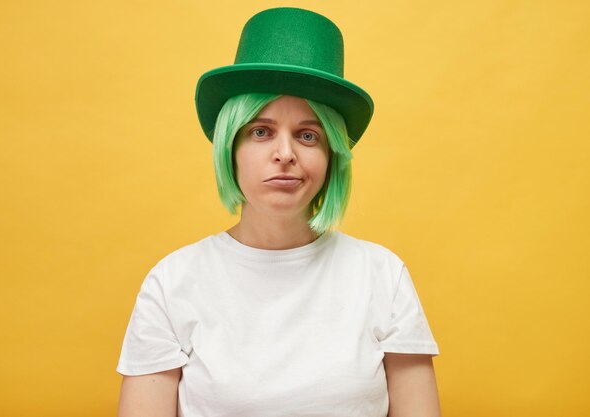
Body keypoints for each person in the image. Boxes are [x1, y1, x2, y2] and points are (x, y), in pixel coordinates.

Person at [117, 7, 441, 417]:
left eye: (308, 135)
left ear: (331, 156)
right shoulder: (173, 282)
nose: (285, 154)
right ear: (229, 149)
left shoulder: (383, 275)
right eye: (261, 131)